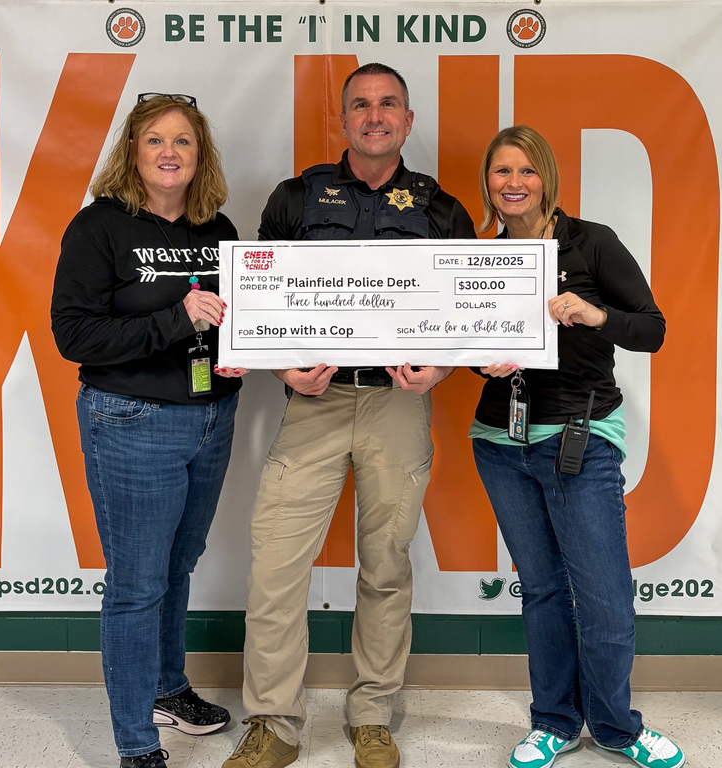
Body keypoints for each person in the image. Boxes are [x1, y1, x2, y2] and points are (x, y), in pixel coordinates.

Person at [222, 63, 475, 768]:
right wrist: (280, 365)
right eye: (359, 105)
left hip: (397, 406)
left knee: (386, 564)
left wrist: (443, 367)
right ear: (342, 120)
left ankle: (373, 716)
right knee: (276, 562)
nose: (374, 115)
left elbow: (466, 310)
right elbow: (257, 297)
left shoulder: (441, 208)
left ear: (408, 121)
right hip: (315, 403)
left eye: (388, 104)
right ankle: (273, 722)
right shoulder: (296, 197)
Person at [470, 126, 685, 768]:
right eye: (501, 171)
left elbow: (652, 329)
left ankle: (618, 727)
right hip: (500, 443)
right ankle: (556, 721)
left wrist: (596, 316)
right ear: (489, 183)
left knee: (603, 595)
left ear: (548, 178)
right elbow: (459, 342)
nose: (514, 183)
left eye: (526, 171)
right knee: (539, 590)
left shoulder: (591, 241)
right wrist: (483, 362)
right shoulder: (478, 256)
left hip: (580, 439)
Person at [51, 93, 248, 768]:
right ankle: (137, 742)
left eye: (184, 141)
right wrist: (178, 319)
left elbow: (237, 318)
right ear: (132, 152)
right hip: (131, 420)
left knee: (177, 565)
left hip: (211, 418)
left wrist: (248, 347)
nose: (170, 152)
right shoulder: (99, 228)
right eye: (156, 140)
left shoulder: (218, 229)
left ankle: (168, 688)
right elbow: (74, 336)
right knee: (137, 582)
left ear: (201, 156)